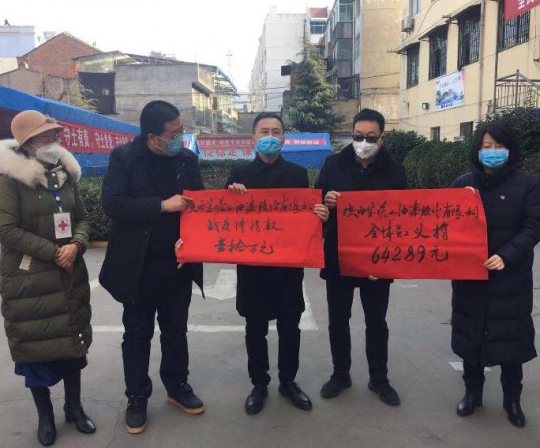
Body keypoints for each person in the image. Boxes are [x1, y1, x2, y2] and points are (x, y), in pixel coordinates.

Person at [0, 110, 95, 446]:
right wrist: (54, 252)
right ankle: (45, 417)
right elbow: (6, 230)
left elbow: (82, 219)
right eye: (46, 137)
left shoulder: (65, 176)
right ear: (27, 143)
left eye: (55, 136)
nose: (54, 142)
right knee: (35, 350)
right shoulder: (9, 181)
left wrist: (77, 244)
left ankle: (74, 409)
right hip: (30, 280)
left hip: (69, 274)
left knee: (72, 345)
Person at [99, 101, 205, 434]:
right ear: (152, 136)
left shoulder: (187, 160)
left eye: (181, 130)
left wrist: (191, 240)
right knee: (137, 334)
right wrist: (162, 205)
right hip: (138, 267)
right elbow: (113, 204)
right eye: (173, 134)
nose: (179, 138)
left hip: (177, 264)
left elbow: (199, 206)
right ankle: (137, 396)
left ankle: (177, 386)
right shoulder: (125, 159)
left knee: (176, 330)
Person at [226, 112, 329, 415]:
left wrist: (320, 216)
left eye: (276, 131)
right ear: (253, 138)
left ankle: (288, 382)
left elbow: (305, 220)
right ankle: (259, 385)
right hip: (252, 269)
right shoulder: (239, 174)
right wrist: (231, 197)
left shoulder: (297, 175)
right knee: (255, 329)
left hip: (287, 269)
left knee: (290, 328)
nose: (270, 137)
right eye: (264, 131)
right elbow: (224, 221)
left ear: (284, 138)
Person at [450, 123, 540, 428]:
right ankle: (472, 394)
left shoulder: (526, 184)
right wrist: (460, 203)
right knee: (471, 340)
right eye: (486, 146)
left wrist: (507, 255)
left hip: (510, 280)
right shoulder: (463, 184)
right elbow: (445, 226)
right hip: (471, 279)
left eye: (498, 146)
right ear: (477, 150)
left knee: (511, 343)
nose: (492, 152)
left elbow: (534, 226)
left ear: (510, 149)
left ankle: (512, 400)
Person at [315, 108, 407, 405]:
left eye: (370, 137)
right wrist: (326, 204)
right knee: (338, 320)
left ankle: (379, 379)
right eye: (357, 136)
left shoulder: (395, 171)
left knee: (376, 321)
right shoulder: (332, 165)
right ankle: (340, 374)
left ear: (381, 138)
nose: (363, 142)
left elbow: (403, 218)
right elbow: (316, 209)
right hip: (339, 256)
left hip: (378, 260)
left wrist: (388, 259)